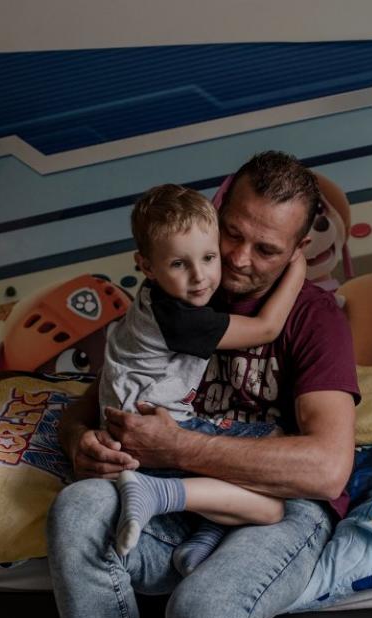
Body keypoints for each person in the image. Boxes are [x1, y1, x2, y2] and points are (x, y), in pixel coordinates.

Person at [47, 151, 360, 618]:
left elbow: (326, 469)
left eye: (267, 250)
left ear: (298, 249)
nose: (237, 258)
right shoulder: (182, 286)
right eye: (232, 232)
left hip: (276, 505)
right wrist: (79, 445)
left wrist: (177, 446)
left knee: (200, 612)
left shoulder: (317, 319)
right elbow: (87, 405)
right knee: (75, 507)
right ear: (215, 209)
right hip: (170, 502)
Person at [100, 183, 307, 569]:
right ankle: (154, 493)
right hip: (151, 430)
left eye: (209, 257)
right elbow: (266, 328)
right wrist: (297, 267)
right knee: (271, 499)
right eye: (180, 264)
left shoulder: (156, 295)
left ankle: (203, 536)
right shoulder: (178, 317)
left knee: (239, 468)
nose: (200, 277)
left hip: (134, 419)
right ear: (146, 266)